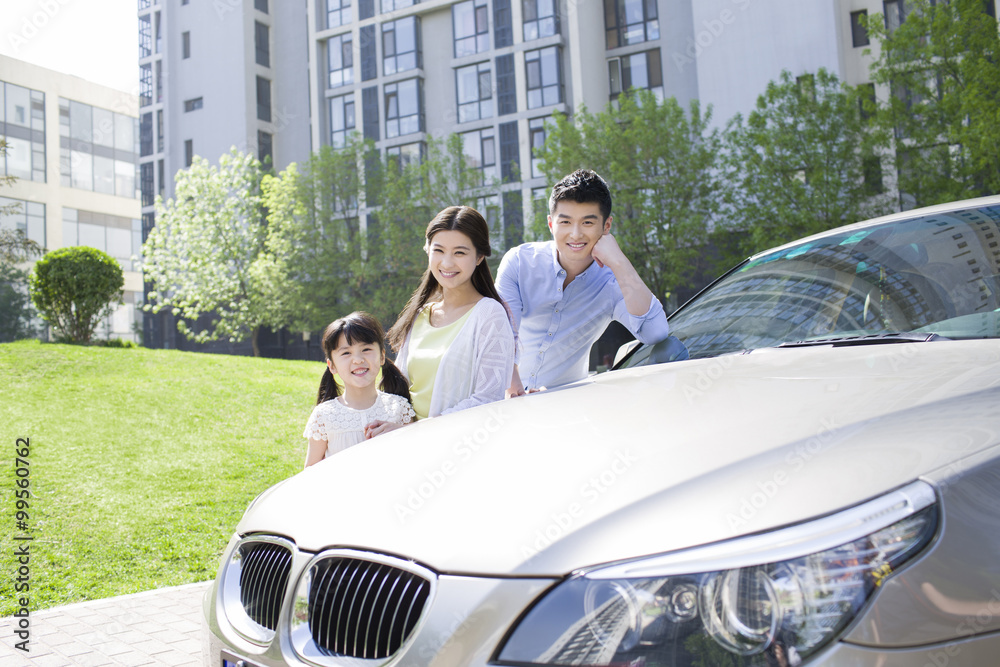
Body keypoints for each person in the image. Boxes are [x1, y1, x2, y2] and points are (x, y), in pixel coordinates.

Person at [497, 169, 670, 394]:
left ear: (606, 226)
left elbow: (655, 332)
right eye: (566, 222)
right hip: (504, 397)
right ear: (551, 224)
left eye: (587, 223)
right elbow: (501, 335)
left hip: (566, 407)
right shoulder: (519, 263)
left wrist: (619, 261)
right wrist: (514, 388)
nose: (576, 234)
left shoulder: (612, 282)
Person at [365, 206, 515, 437]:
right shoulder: (421, 313)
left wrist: (415, 430)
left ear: (479, 257)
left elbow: (488, 398)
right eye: (439, 250)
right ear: (427, 251)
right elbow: (401, 389)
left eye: (460, 253)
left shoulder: (490, 314)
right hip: (405, 441)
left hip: (455, 445)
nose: (446, 263)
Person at [302, 312, 415, 468]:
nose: (358, 359)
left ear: (382, 356)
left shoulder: (399, 408)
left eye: (366, 349)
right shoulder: (324, 415)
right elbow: (310, 472)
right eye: (346, 353)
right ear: (332, 366)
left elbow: (414, 457)